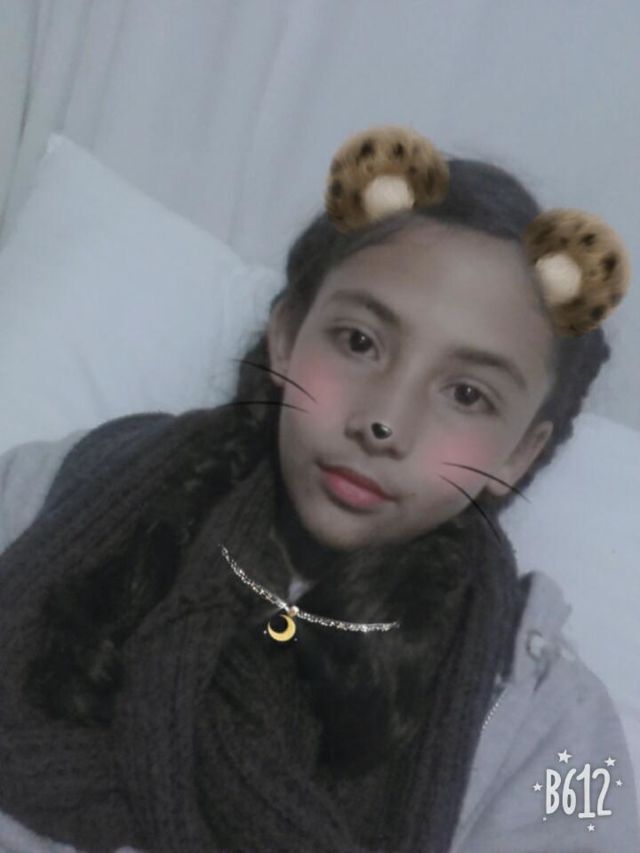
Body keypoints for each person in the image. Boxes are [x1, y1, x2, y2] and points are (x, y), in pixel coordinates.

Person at [0, 126, 637, 853]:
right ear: (287, 334)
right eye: (360, 342)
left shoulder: (551, 730)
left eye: (467, 394)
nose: (385, 421)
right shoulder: (54, 493)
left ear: (521, 454)